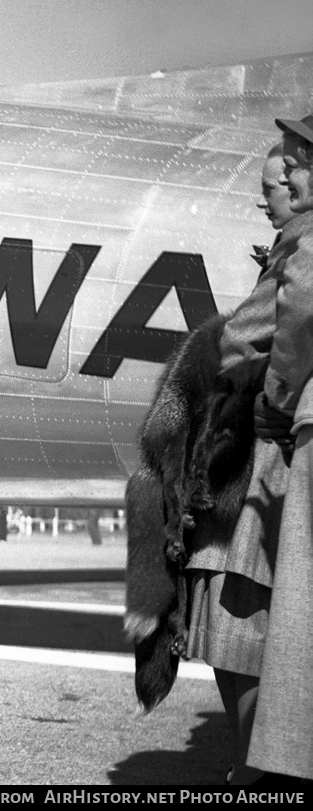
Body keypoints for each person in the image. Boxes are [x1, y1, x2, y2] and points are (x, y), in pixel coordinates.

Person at [194, 140, 299, 784]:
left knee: (237, 607)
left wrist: (270, 395)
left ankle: (254, 772)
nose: (266, 202)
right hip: (273, 453)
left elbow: (242, 342)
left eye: (275, 188)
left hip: (262, 459)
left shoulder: (300, 247)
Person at [234, 113, 313, 784]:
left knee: (295, 604)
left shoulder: (307, 245)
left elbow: (278, 329)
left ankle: (284, 765)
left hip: (299, 427)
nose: (283, 182)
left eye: (293, 168)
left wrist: (277, 404)